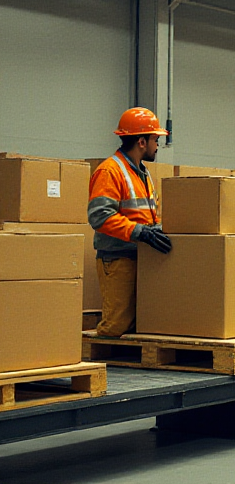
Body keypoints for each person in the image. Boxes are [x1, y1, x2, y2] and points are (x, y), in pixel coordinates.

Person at [88, 107, 173, 337]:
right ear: (142, 142)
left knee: (141, 323)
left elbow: (148, 215)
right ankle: (99, 359)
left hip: (142, 257)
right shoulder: (110, 171)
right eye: (155, 139)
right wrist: (140, 232)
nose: (158, 145)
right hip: (118, 259)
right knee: (116, 326)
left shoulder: (142, 173)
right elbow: (99, 216)